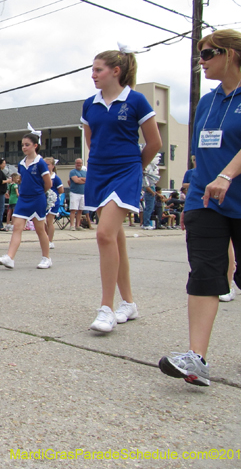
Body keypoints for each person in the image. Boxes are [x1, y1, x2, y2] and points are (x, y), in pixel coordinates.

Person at [159, 29, 241, 385]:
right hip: (207, 200)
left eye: (208, 54)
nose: (202, 61)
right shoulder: (207, 102)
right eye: (200, 55)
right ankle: (196, 358)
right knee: (204, 271)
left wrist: (227, 176)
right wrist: (191, 200)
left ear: (230, 54)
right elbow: (200, 154)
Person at [82, 48, 161, 333]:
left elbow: (154, 143)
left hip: (126, 172)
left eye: (98, 69)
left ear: (116, 71)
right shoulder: (89, 104)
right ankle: (128, 303)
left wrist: (134, 167)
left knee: (104, 235)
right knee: (116, 238)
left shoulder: (136, 100)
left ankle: (106, 308)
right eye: (92, 70)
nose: (93, 74)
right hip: (99, 172)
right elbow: (92, 142)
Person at [0, 133, 53, 269]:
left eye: (27, 145)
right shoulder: (21, 163)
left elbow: (48, 184)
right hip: (23, 199)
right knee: (17, 227)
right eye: (22, 145)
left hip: (37, 199)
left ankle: (46, 258)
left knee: (40, 229)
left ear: (35, 146)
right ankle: (10, 258)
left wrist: (37, 193)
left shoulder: (41, 163)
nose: (24, 147)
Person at [44, 157, 64, 250]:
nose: (46, 166)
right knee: (42, 221)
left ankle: (50, 241)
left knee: (49, 221)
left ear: (52, 166)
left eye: (48, 164)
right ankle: (45, 238)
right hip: (43, 200)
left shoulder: (55, 178)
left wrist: (52, 195)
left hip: (52, 201)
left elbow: (61, 190)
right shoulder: (42, 176)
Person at [68, 158, 87, 230]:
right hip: (74, 193)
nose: (78, 164)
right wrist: (83, 180)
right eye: (77, 163)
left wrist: (80, 179)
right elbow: (76, 180)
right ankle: (72, 225)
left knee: (80, 210)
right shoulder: (73, 172)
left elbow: (88, 180)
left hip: (83, 193)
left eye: (80, 163)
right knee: (73, 209)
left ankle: (78, 225)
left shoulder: (85, 172)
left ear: (82, 164)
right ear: (75, 164)